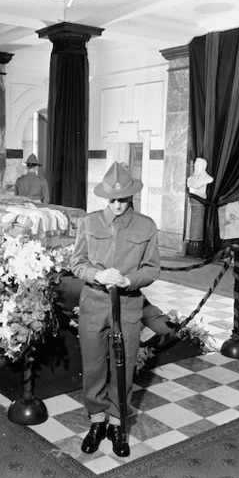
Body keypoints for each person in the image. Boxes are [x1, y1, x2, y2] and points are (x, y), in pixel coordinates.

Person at [71, 161, 160, 457]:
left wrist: (129, 279)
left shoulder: (146, 226)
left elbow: (152, 269)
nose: (117, 206)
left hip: (128, 306)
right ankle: (97, 421)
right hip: (94, 304)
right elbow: (77, 263)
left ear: (131, 196)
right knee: (94, 366)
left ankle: (119, 424)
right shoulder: (90, 222)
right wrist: (97, 275)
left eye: (122, 199)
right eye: (112, 200)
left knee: (123, 368)